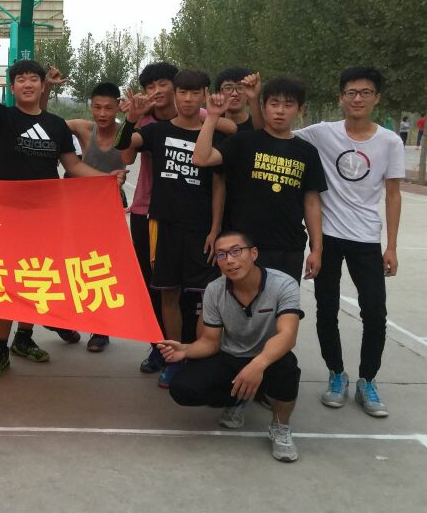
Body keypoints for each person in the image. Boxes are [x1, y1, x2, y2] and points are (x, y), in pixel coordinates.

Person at [0, 38, 126, 379]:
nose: (27, 84)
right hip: (7, 217)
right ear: (12, 87)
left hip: (46, 218)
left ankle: (24, 338)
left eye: (33, 79)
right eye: (20, 79)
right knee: (4, 283)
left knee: (34, 278)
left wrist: (106, 179)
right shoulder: (2, 117)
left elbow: (72, 165)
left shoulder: (56, 125)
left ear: (42, 86)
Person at [286, 66, 404, 417]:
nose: (357, 99)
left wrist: (392, 246)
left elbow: (393, 195)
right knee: (326, 309)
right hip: (327, 238)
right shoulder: (322, 133)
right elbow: (278, 131)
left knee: (375, 312)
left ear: (376, 98)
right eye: (351, 93)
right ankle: (336, 374)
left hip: (366, 238)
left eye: (365, 93)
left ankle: (368, 380)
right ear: (341, 98)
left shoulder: (390, 142)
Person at [118, 63, 238, 375]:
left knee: (203, 297)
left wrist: (215, 227)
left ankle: (196, 355)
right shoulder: (155, 131)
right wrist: (130, 119)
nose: (187, 98)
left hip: (200, 228)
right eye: (183, 92)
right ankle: (172, 356)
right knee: (166, 293)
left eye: (193, 93)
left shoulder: (213, 134)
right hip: (163, 226)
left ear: (204, 95)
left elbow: (219, 184)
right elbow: (123, 151)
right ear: (176, 94)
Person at [160, 231, 303, 462]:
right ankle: (238, 398)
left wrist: (258, 365)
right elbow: (210, 341)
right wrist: (185, 350)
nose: (230, 260)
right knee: (183, 388)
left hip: (268, 357)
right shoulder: (215, 289)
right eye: (221, 255)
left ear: (253, 253)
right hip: (231, 355)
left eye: (236, 251)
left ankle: (280, 426)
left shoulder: (283, 284)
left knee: (287, 367)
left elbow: (288, 335)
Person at [192, 75, 327, 284]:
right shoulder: (243, 142)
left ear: (300, 109)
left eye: (288, 105)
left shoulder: (307, 152)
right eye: (274, 104)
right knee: (241, 302)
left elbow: (311, 202)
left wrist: (316, 249)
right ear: (263, 106)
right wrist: (212, 117)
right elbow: (201, 158)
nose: (280, 111)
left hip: (288, 247)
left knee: (282, 303)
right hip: (244, 247)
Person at [59, 81, 127, 352]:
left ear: (118, 107)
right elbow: (46, 123)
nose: (102, 113)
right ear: (91, 107)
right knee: (70, 264)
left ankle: (100, 330)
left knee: (101, 268)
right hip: (78, 206)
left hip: (109, 209)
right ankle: (64, 320)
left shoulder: (128, 133)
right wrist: (47, 88)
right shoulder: (84, 128)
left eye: (108, 108)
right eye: (97, 107)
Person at [215, 66, 255, 132]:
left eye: (240, 88)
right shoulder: (209, 127)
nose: (234, 93)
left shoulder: (258, 126)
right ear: (218, 93)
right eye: (228, 88)